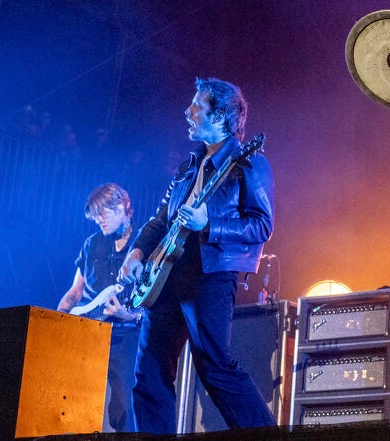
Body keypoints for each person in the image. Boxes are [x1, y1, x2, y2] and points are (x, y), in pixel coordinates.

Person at [117, 78, 276, 433]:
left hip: (211, 273)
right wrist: (137, 252)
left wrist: (211, 224)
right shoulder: (188, 167)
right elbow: (161, 219)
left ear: (221, 116)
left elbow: (262, 226)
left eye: (197, 107)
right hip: (165, 276)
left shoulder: (249, 163)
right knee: (149, 373)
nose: (187, 112)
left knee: (214, 365)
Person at [56, 183, 142, 433]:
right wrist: (55, 320)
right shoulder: (92, 243)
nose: (98, 222)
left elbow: (154, 300)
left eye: (101, 215)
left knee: (124, 407)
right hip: (86, 330)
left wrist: (129, 314)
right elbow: (75, 292)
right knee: (70, 402)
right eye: (94, 217)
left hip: (125, 334)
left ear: (121, 207)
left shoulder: (143, 244)